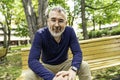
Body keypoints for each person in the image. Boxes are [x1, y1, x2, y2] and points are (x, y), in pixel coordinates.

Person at [22, 6, 91, 80]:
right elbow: (32, 60)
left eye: (61, 21)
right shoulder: (40, 34)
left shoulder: (70, 31)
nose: (56, 25)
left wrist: (73, 69)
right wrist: (53, 78)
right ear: (48, 21)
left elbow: (77, 53)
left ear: (66, 23)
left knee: (84, 66)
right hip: (47, 67)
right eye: (53, 20)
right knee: (29, 75)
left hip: (65, 65)